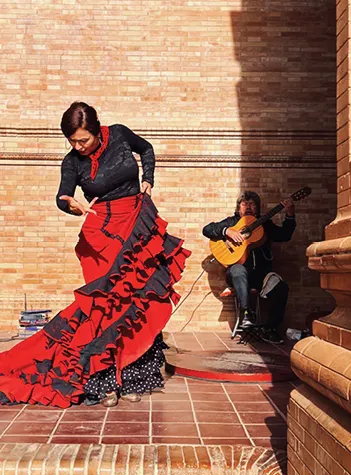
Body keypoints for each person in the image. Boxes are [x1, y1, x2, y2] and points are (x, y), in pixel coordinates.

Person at [0, 101, 190, 408]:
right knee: (106, 308)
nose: (78, 146)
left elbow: (147, 149)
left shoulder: (119, 135)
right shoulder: (72, 162)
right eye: (72, 141)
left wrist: (148, 179)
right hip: (102, 233)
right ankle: (103, 383)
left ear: (97, 131)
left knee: (138, 301)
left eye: (83, 140)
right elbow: (63, 195)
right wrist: (69, 203)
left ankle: (132, 378)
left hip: (137, 221)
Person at [202, 190, 296, 344]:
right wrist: (227, 231)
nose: (248, 207)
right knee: (238, 270)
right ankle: (246, 313)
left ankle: (270, 329)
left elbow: (284, 235)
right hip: (236, 273)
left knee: (281, 286)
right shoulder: (232, 222)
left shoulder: (264, 224)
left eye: (252, 204)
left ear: (258, 208)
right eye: (244, 204)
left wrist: (290, 214)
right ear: (238, 208)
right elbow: (207, 229)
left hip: (261, 274)